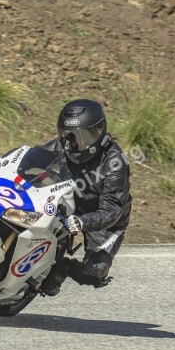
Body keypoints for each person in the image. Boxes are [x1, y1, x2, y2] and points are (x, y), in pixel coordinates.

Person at [39, 99, 133, 296]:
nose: (75, 143)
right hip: (69, 203)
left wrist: (81, 222)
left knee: (95, 270)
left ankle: (64, 267)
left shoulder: (115, 162)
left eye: (84, 137)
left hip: (105, 220)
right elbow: (34, 157)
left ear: (99, 133)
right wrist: (4, 161)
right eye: (70, 135)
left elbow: (111, 212)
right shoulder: (66, 145)